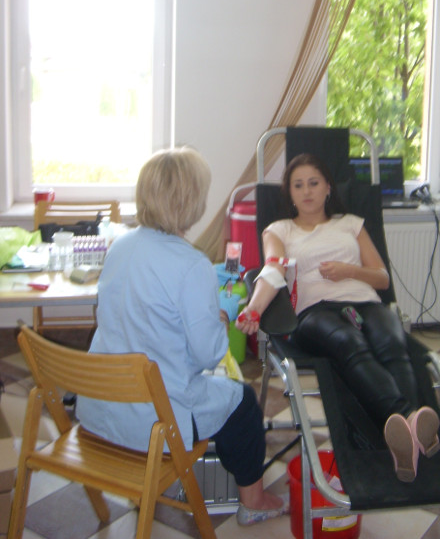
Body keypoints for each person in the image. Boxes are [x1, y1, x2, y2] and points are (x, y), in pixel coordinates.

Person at [76, 146, 286, 526]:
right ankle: (253, 500)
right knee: (243, 403)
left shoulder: (120, 247)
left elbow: (139, 316)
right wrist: (220, 321)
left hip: (99, 407)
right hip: (152, 422)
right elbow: (209, 355)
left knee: (203, 387)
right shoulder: (191, 265)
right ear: (192, 202)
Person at [236, 153, 440, 483]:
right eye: (298, 185)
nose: (306, 191)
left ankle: (406, 437)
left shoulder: (351, 224)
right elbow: (273, 271)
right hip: (315, 311)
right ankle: (409, 419)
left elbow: (382, 278)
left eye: (313, 183)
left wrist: (349, 271)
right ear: (289, 192)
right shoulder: (279, 230)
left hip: (366, 302)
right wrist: (254, 309)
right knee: (350, 342)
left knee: (393, 344)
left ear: (328, 187)